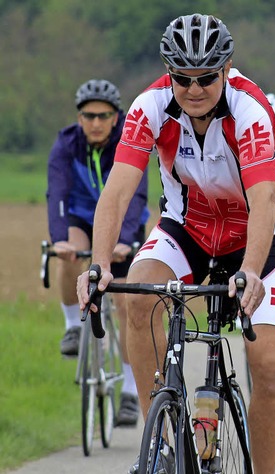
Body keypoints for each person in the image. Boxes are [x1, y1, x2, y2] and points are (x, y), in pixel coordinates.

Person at [76, 14, 275, 474]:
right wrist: (97, 266)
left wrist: (250, 272)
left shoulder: (250, 111)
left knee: (270, 363)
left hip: (254, 237)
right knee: (137, 297)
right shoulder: (149, 107)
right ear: (168, 72)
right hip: (187, 229)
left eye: (206, 78)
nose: (194, 89)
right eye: (182, 78)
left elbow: (263, 203)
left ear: (226, 69)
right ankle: (159, 439)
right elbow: (116, 192)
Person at [47, 79, 149, 426]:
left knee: (124, 305)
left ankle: (132, 393)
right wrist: (59, 238)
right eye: (88, 115)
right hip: (79, 216)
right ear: (79, 118)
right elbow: (57, 193)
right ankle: (72, 327)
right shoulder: (66, 145)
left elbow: (134, 196)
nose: (95, 122)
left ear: (115, 117)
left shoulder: (128, 142)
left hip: (121, 222)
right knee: (69, 254)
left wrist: (128, 238)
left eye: (103, 115)